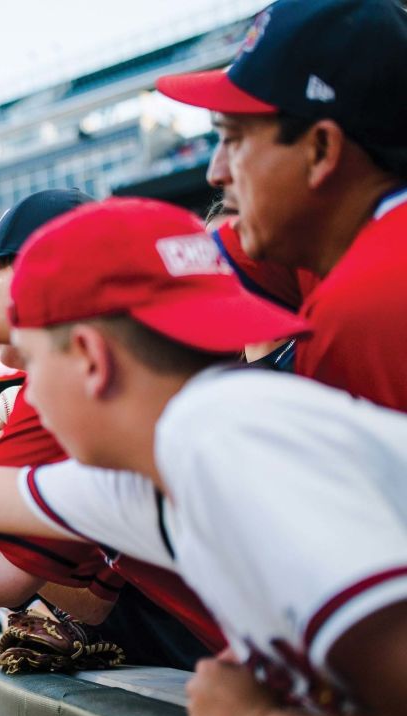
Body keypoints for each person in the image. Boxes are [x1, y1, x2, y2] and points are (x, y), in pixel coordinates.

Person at [0, 199, 407, 716]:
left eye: (24, 352)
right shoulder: (140, 465)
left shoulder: (230, 446)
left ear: (89, 358)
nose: (6, 370)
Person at [156, 0, 407, 411]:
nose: (216, 173)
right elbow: (164, 265)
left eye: (234, 139)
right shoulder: (331, 233)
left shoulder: (362, 310)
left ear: (321, 150)